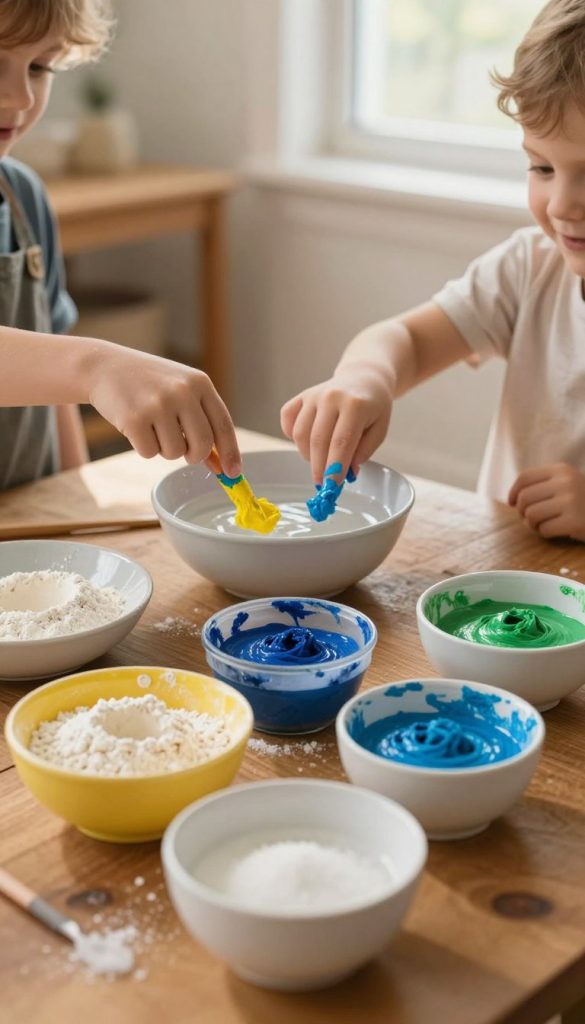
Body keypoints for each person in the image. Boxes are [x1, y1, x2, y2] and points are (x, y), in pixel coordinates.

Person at [281, 0, 585, 542]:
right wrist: (364, 379)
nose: (562, 204)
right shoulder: (530, 267)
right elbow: (408, 340)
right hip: (509, 578)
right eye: (541, 167)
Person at [0, 0, 241, 491]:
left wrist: (73, 502)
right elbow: (73, 368)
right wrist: (95, 365)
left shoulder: (23, 198)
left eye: (40, 66)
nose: (21, 97)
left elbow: (56, 385)